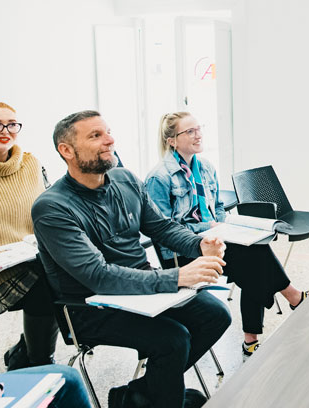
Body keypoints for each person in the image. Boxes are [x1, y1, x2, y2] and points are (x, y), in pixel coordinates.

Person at [32, 110, 232, 408]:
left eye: (108, 132)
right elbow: (98, 276)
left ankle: (139, 396)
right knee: (172, 339)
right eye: (95, 136)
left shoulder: (125, 179)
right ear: (67, 151)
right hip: (90, 307)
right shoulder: (52, 207)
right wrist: (177, 277)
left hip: (142, 289)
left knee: (216, 315)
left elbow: (161, 227)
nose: (109, 140)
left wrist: (199, 244)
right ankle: (158, 397)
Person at [145, 112, 309, 358]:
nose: (198, 135)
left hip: (215, 239)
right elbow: (164, 230)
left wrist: (223, 225)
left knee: (255, 250)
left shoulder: (205, 168)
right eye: (190, 131)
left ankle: (254, 338)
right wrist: (208, 228)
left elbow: (218, 208)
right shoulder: (159, 178)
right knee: (254, 259)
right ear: (172, 140)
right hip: (184, 253)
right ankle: (292, 298)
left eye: (199, 128)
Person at [0, 102, 58, 370]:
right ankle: (36, 360)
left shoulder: (31, 164)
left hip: (31, 260)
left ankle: (32, 357)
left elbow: (50, 210)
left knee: (58, 275)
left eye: (12, 124)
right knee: (49, 281)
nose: (5, 130)